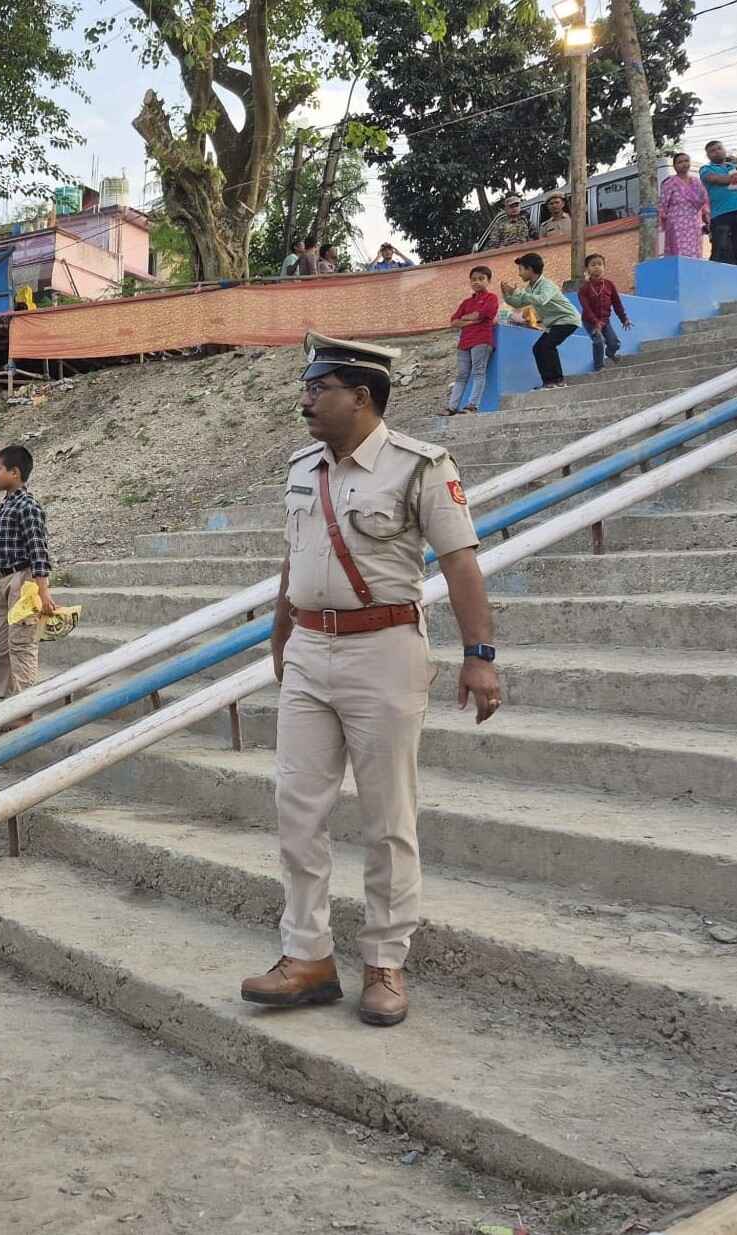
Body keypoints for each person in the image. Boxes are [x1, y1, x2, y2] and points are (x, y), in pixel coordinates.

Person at [243, 332, 499, 1030]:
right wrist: (281, 630)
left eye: (317, 388)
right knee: (296, 807)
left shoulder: (421, 465)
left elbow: (460, 562)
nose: (305, 399)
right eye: (306, 386)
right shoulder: (303, 467)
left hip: (384, 649)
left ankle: (385, 960)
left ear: (361, 397)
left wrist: (480, 653)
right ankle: (308, 956)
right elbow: (294, 557)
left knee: (388, 818)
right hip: (309, 650)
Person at [0, 444, 54, 727]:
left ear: (14, 473)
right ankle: (6, 702)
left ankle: (25, 708)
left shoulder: (27, 506)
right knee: (3, 643)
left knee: (21, 643)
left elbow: (38, 550)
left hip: (22, 579)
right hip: (3, 579)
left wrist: (43, 591)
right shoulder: (7, 503)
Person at [500, 252, 581, 389]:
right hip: (554, 323)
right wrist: (507, 294)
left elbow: (542, 300)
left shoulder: (547, 285)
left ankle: (558, 380)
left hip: (567, 319)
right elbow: (519, 303)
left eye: (520, 270)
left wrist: (518, 292)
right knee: (539, 347)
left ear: (530, 269)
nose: (519, 274)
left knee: (546, 346)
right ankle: (549, 382)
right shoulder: (530, 287)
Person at [446, 265, 500, 415]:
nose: (476, 282)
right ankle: (452, 407)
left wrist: (467, 318)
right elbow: (454, 321)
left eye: (481, 279)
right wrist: (473, 319)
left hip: (482, 340)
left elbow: (484, 314)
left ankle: (472, 406)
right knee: (462, 375)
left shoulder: (491, 298)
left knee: (478, 372)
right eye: (473, 279)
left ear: (488, 281)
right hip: (464, 343)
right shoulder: (466, 303)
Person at [702, 140, 737, 267]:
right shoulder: (706, 169)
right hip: (721, 215)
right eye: (712, 151)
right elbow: (717, 179)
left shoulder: (735, 167)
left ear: (724, 150)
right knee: (720, 252)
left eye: (719, 148)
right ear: (708, 156)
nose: (717, 152)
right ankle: (715, 283)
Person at [578, 253, 633, 371]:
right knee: (598, 341)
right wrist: (595, 323)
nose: (597, 267)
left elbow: (617, 304)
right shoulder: (583, 289)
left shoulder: (609, 285)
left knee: (615, 344)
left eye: (600, 264)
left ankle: (610, 353)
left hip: (605, 321)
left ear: (604, 267)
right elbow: (586, 309)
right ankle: (599, 367)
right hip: (590, 321)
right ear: (587, 269)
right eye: (593, 265)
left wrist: (624, 319)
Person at [659, 151, 711, 259]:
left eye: (686, 161)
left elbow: (704, 202)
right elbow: (663, 205)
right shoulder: (670, 183)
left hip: (694, 223)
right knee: (678, 253)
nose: (684, 164)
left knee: (695, 252)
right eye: (680, 162)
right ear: (674, 166)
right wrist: (665, 220)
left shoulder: (696, 182)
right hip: (676, 223)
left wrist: (707, 219)